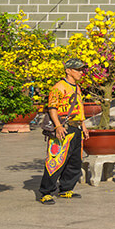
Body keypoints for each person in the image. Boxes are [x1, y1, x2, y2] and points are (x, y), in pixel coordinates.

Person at [39, 58, 90, 204]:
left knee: (74, 160)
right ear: (68, 71)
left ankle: (66, 188)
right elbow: (52, 108)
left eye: (81, 70)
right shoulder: (58, 87)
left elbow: (79, 107)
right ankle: (46, 192)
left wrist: (83, 126)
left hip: (76, 128)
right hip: (63, 127)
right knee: (55, 159)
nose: (81, 72)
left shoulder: (77, 88)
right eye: (78, 69)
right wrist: (57, 126)